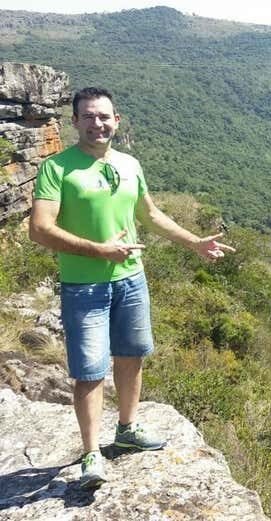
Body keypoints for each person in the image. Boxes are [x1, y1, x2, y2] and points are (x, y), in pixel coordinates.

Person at [29, 87, 235, 489]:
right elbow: (40, 229)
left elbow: (151, 214)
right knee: (89, 371)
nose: (97, 123)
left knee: (131, 355)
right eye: (88, 116)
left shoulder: (129, 164)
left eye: (104, 116)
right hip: (84, 285)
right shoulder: (57, 169)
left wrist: (194, 242)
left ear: (116, 121)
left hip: (131, 280)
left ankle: (127, 429)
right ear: (74, 122)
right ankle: (91, 455)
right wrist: (99, 251)